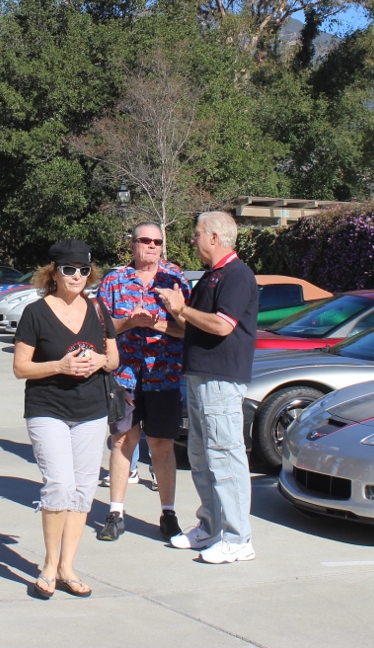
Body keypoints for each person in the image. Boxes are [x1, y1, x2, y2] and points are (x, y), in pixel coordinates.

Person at [12, 240, 117, 600]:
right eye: (69, 269)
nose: (76, 276)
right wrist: (59, 365)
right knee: (58, 484)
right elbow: (20, 367)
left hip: (91, 410)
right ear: (53, 272)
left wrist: (99, 361)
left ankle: (67, 567)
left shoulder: (99, 309)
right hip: (48, 408)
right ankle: (48, 565)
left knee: (84, 489)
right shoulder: (36, 313)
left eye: (84, 270)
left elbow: (114, 357)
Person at [159, 211, 258, 564]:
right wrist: (166, 316)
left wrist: (182, 307)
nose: (193, 239)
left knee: (225, 457)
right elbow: (193, 327)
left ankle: (237, 538)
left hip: (221, 380)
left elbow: (221, 326)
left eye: (197, 233)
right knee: (201, 456)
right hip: (200, 377)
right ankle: (210, 527)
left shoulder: (237, 275)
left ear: (215, 237)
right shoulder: (211, 277)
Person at [96, 222, 189, 542]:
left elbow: (189, 329)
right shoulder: (114, 281)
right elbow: (99, 330)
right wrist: (129, 322)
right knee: (123, 441)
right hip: (124, 378)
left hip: (164, 376)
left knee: (162, 445)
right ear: (132, 244)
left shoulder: (175, 279)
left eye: (157, 241)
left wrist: (160, 324)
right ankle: (115, 513)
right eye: (145, 240)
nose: (151, 246)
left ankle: (168, 513)